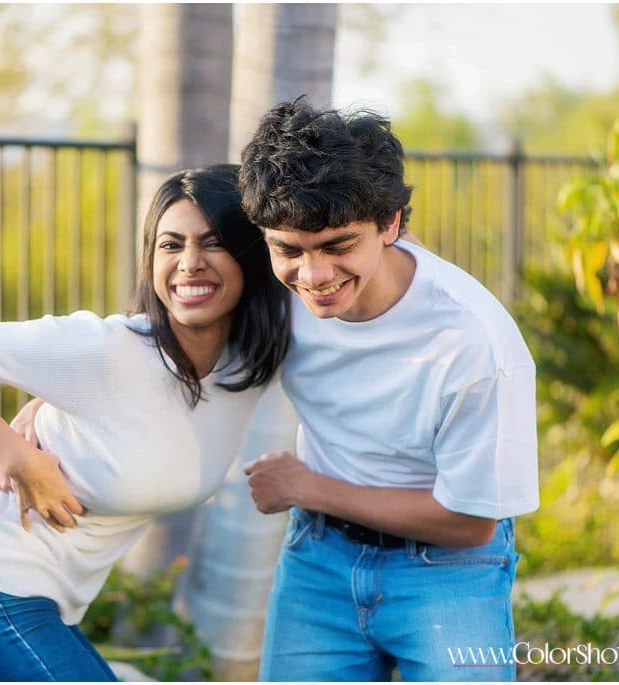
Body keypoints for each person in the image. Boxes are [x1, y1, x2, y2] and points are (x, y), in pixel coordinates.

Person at [0, 164, 289, 682]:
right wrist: (17, 454)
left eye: (213, 243)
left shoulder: (253, 360)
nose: (189, 263)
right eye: (170, 246)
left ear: (250, 254)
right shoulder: (107, 349)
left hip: (43, 609)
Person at [237, 98, 539, 681]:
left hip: (451, 568)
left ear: (391, 225)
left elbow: (471, 521)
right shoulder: (275, 286)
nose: (314, 275)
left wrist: (307, 487)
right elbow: (170, 330)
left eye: (338, 245)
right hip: (319, 562)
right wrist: (50, 401)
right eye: (290, 250)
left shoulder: (473, 341)